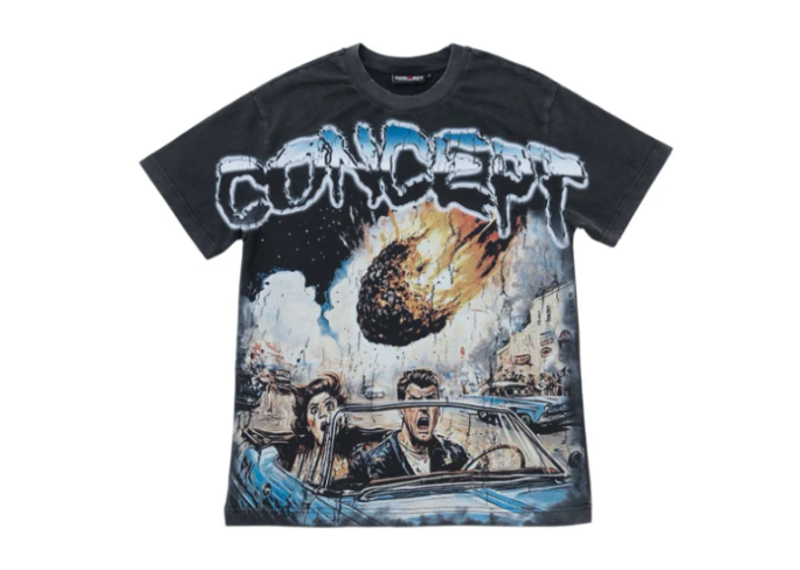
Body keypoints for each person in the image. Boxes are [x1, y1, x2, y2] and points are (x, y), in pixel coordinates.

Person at [352, 368, 469, 481]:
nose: (424, 408)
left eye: (430, 400)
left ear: (438, 409)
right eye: (414, 400)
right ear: (401, 409)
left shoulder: (454, 454)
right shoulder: (377, 462)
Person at [288, 372, 348, 485]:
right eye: (314, 410)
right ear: (306, 423)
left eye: (329, 407)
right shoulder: (302, 454)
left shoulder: (343, 462)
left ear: (340, 418)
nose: (322, 414)